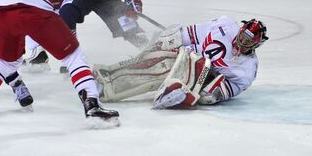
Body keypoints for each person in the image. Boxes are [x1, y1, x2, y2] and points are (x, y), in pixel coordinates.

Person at [93, 16, 268, 109]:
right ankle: (108, 73)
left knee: (159, 70)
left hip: (197, 77)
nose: (242, 43)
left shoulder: (247, 69)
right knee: (151, 57)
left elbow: (220, 91)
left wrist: (212, 95)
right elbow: (190, 34)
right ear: (240, 29)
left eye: (248, 42)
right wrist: (171, 38)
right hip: (184, 54)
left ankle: (109, 89)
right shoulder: (225, 25)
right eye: (242, 37)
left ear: (258, 44)